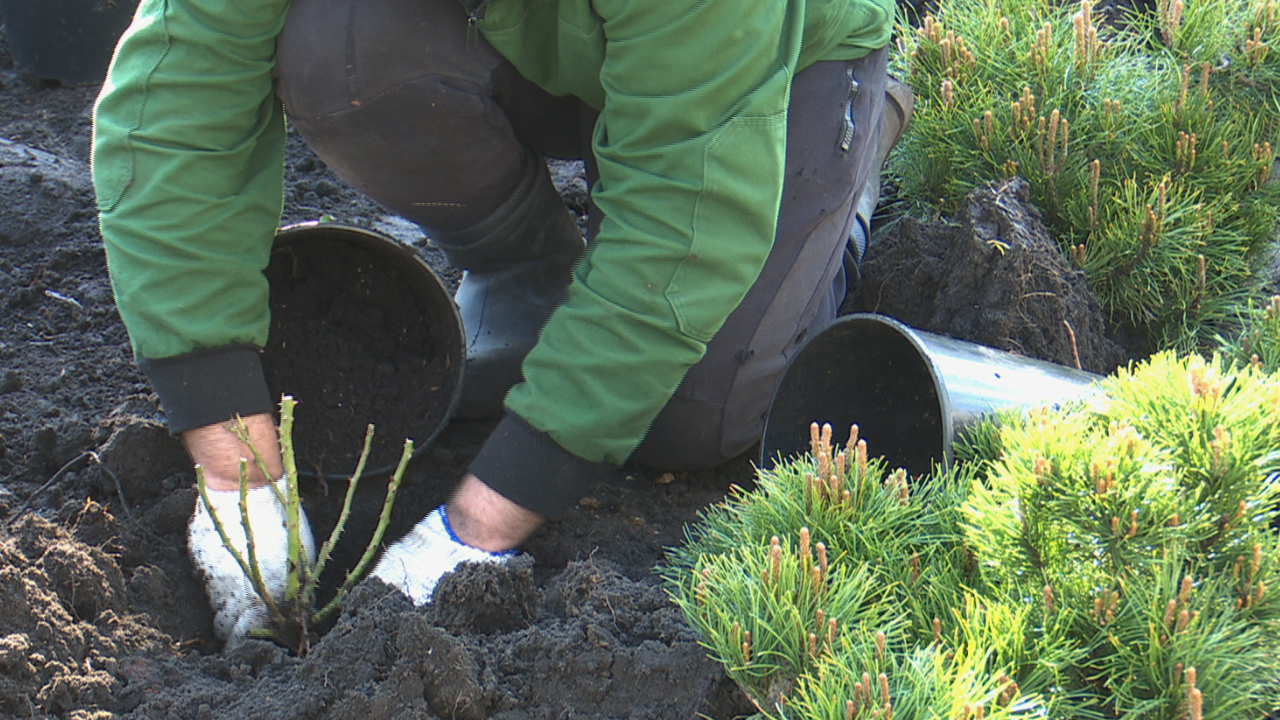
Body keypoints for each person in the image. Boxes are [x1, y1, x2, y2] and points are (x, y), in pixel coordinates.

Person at [92, 0, 913, 645]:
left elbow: (688, 223)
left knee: (692, 417)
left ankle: (849, 167)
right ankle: (529, 263)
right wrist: (240, 475)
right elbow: (173, 99)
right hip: (548, 39)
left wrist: (475, 531)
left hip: (766, 67)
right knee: (336, 49)